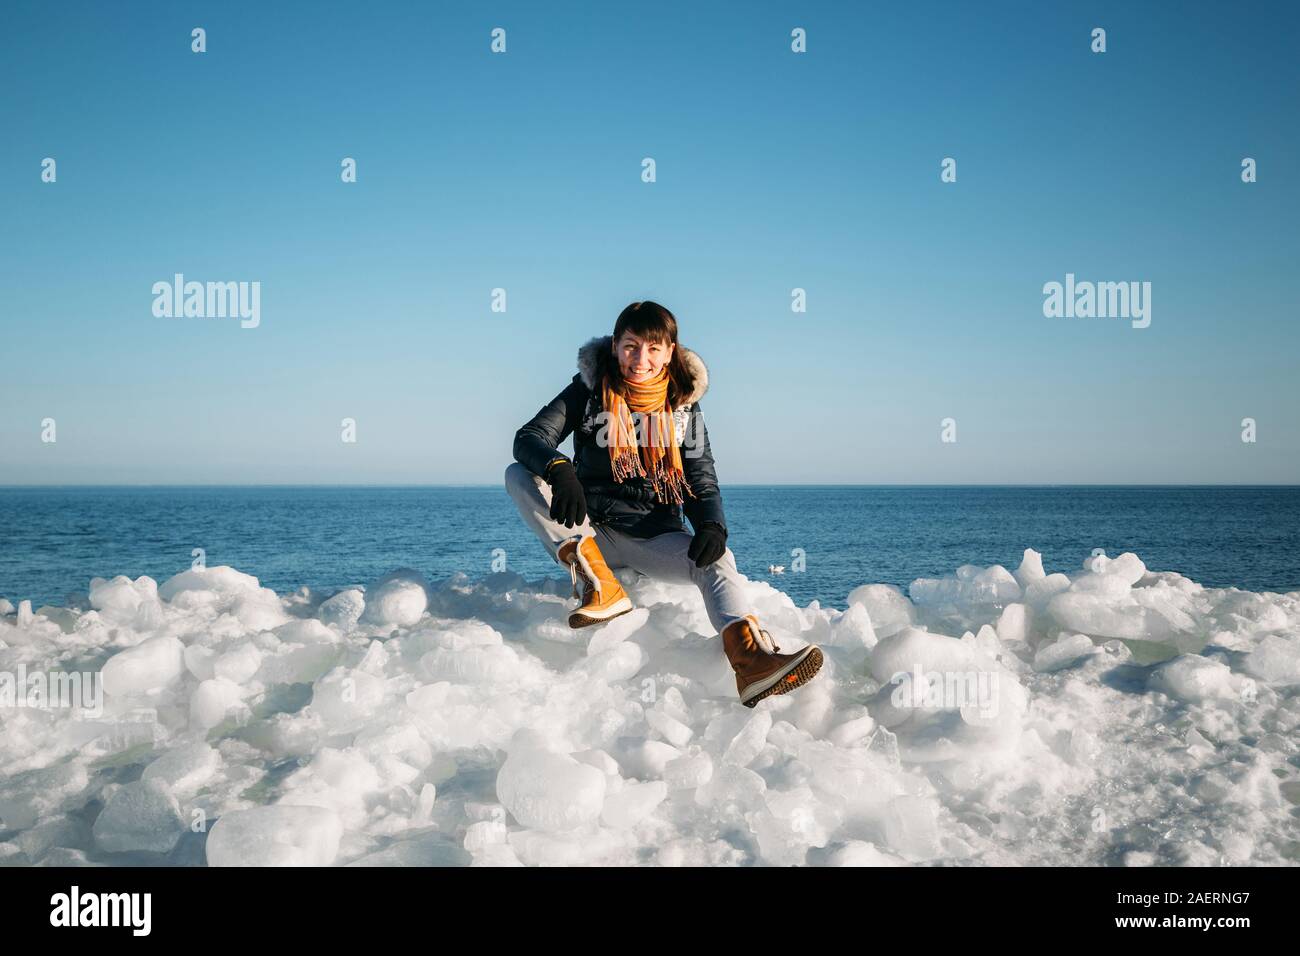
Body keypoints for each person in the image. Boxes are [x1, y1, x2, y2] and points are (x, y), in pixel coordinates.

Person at [506, 300, 823, 707]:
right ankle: (599, 586)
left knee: (719, 560)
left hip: (652, 534)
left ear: (670, 352)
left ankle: (751, 661)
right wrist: (559, 469)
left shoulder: (683, 407)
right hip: (590, 531)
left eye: (654, 349)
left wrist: (712, 525)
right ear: (615, 345)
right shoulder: (588, 390)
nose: (641, 359)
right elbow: (528, 437)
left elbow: (700, 477)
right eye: (631, 346)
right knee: (518, 474)